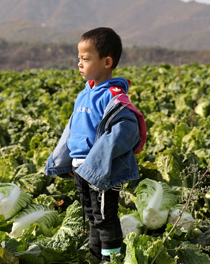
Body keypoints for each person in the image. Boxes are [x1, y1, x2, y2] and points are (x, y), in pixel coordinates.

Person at [44, 27, 146, 261]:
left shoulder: (114, 97)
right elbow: (73, 131)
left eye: (86, 59)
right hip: (81, 168)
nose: (79, 64)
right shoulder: (84, 94)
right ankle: (95, 256)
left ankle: (111, 259)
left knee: (105, 218)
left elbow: (125, 133)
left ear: (107, 61)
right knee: (91, 217)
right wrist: (65, 160)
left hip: (102, 171)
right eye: (79, 58)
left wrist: (94, 164)